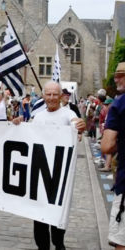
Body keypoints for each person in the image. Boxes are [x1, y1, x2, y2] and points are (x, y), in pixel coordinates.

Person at [13, 81, 86, 250]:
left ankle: (58, 243)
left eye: (55, 94)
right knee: (39, 213)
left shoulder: (67, 113)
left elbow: (75, 122)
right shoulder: (38, 116)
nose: (51, 98)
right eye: (48, 94)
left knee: (58, 210)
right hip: (39, 173)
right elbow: (28, 137)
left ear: (60, 96)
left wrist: (78, 125)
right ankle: (42, 246)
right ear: (43, 95)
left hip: (60, 175)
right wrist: (18, 125)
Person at [101, 62, 125, 250]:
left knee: (122, 240)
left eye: (121, 75)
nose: (116, 79)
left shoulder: (120, 103)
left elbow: (107, 146)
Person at [99, 98, 114, 172]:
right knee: (108, 151)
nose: (106, 106)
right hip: (108, 131)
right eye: (106, 104)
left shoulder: (113, 112)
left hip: (112, 133)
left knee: (109, 151)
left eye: (108, 104)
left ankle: (107, 166)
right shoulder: (109, 112)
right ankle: (108, 165)